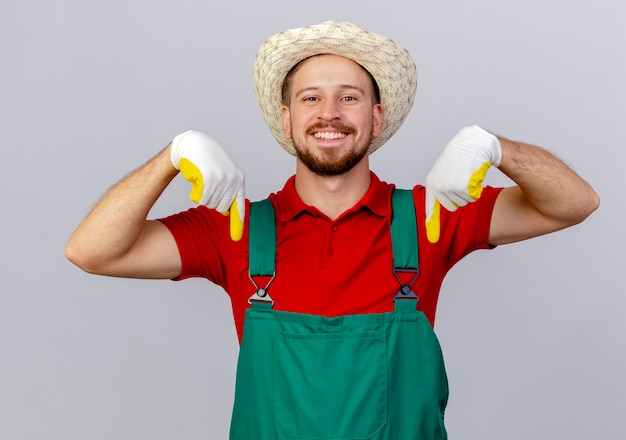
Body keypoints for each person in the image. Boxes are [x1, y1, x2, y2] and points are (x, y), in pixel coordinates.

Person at [66, 20, 599, 440]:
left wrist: (496, 148)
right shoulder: (235, 229)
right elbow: (91, 252)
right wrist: (171, 155)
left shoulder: (432, 216)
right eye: (310, 97)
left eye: (348, 97)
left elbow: (575, 203)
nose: (329, 113)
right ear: (287, 118)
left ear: (375, 116)